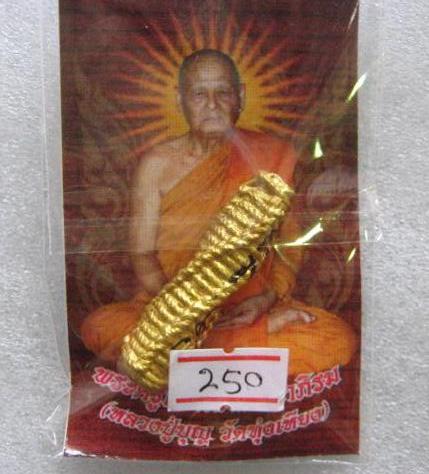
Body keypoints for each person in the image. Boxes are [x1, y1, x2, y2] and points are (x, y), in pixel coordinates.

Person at [81, 49, 357, 375]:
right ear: (180, 99)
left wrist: (265, 300)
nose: (211, 104)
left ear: (240, 96)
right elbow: (142, 254)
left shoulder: (273, 155)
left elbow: (288, 249)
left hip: (251, 306)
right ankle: (245, 342)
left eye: (222, 92)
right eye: (199, 94)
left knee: (337, 340)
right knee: (100, 326)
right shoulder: (156, 165)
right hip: (171, 307)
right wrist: (186, 312)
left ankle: (187, 354)